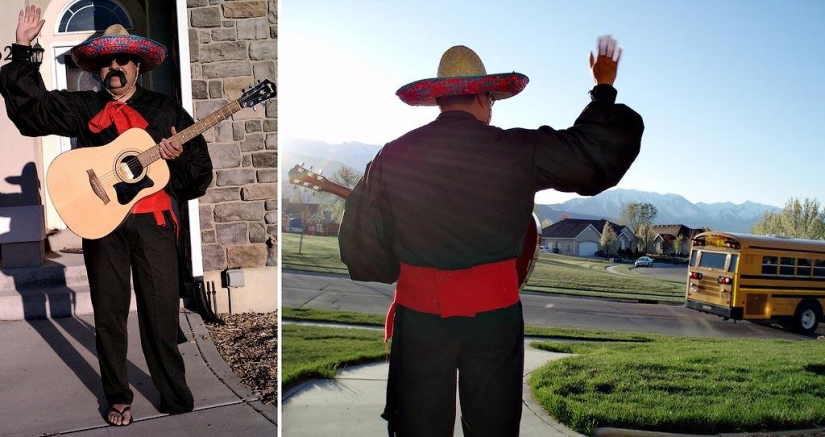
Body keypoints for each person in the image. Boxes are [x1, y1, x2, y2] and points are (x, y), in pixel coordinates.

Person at [338, 36, 644, 437]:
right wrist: (603, 89)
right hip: (494, 322)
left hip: (421, 320)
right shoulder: (515, 149)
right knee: (492, 429)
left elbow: (365, 240)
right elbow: (591, 153)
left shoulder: (393, 155)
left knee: (418, 428)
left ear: (439, 102)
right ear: (483, 98)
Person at [0, 6, 213, 426]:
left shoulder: (166, 111)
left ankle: (172, 391)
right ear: (98, 70)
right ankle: (118, 396)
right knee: (110, 315)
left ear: (137, 66)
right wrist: (23, 48)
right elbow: (33, 111)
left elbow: (196, 179)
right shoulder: (85, 107)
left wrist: (179, 154)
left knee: (161, 313)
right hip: (102, 224)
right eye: (106, 62)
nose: (114, 67)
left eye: (123, 60)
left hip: (152, 224)